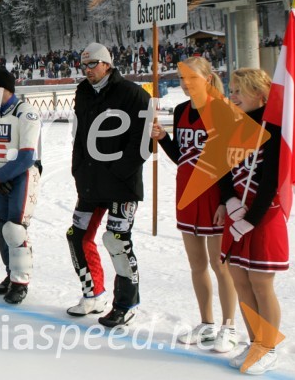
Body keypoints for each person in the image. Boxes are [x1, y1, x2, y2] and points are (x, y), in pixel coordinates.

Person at [150, 57, 237, 351]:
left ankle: (229, 326)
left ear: (207, 79)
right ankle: (207, 322)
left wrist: (226, 202)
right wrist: (163, 138)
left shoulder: (223, 109)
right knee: (196, 264)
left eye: (192, 79)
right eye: (183, 79)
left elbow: (230, 165)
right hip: (187, 194)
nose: (187, 85)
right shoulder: (181, 110)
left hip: (215, 197)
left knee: (219, 264)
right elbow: (182, 156)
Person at [65, 42, 150, 327]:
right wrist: (78, 170)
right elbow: (79, 136)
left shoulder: (133, 93)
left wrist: (118, 172)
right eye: (84, 65)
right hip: (89, 181)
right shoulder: (82, 92)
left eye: (93, 65)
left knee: (116, 241)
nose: (88, 71)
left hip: (121, 184)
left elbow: (143, 142)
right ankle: (94, 293)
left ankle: (126, 303)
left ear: (107, 64)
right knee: (77, 235)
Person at [220, 68, 286, 375]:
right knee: (239, 278)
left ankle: (268, 346)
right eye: (232, 90)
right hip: (237, 213)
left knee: (261, 282)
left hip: (263, 215)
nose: (232, 96)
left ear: (260, 95)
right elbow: (222, 167)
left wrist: (252, 218)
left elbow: (272, 179)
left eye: (238, 91)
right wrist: (229, 202)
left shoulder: (272, 129)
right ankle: (254, 341)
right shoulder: (234, 125)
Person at [0, 68, 41, 304]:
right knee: (1, 225)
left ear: (3, 88)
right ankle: (10, 274)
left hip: (21, 174)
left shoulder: (26, 113)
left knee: (15, 228)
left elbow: (27, 157)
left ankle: (20, 281)